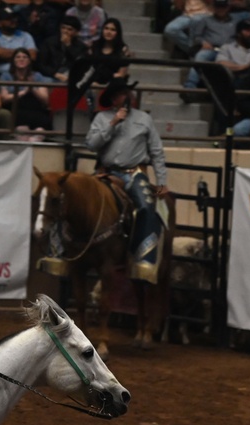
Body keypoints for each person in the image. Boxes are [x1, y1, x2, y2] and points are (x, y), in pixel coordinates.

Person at [85, 78, 169, 285]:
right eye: (122, 94)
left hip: (134, 173)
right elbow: (91, 145)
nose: (127, 97)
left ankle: (142, 259)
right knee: (83, 202)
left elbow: (156, 151)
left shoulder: (144, 119)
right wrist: (112, 124)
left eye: (128, 93)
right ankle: (73, 252)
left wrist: (162, 181)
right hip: (106, 172)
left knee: (146, 206)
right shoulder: (101, 118)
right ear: (113, 99)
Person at [181, 0, 238, 94]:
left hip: (228, 50)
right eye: (218, 7)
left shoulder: (235, 22)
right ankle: (189, 87)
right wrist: (203, 42)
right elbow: (197, 36)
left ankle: (232, 90)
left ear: (228, 8)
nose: (220, 9)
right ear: (214, 8)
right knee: (200, 57)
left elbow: (238, 37)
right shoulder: (206, 20)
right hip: (211, 48)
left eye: (223, 7)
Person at [0, 47, 51, 140]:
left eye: (25, 57)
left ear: (29, 61)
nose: (21, 59)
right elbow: (4, 98)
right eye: (18, 57)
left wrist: (32, 88)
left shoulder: (37, 76)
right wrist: (23, 92)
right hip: (17, 111)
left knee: (38, 134)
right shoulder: (6, 76)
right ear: (13, 61)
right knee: (22, 135)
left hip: (36, 111)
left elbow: (45, 99)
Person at [0, 6, 38, 76]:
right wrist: (23, 55)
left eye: (14, 17)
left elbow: (33, 56)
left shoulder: (26, 36)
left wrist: (5, 55)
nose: (13, 20)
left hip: (23, 74)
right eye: (8, 19)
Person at [37, 15, 88, 82]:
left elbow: (80, 64)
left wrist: (68, 46)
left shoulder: (81, 47)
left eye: (69, 29)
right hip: (51, 75)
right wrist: (55, 74)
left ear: (76, 32)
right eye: (63, 28)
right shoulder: (49, 43)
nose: (65, 31)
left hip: (71, 76)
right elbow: (41, 64)